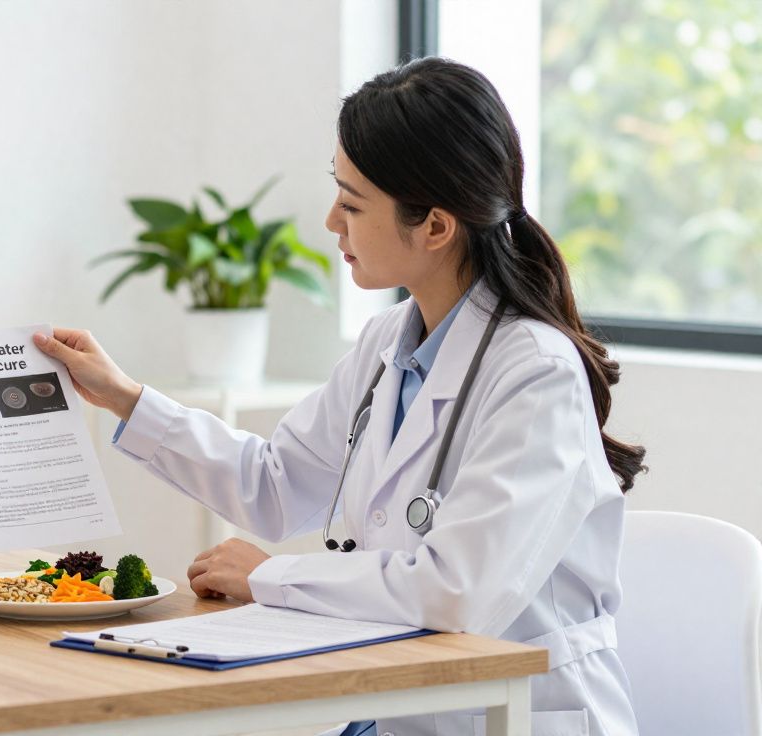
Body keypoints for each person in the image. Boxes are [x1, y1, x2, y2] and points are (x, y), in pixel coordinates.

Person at [36, 58, 644, 735]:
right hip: (392, 706)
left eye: (352, 204)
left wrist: (272, 577)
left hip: (507, 716)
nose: (332, 221)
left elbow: (457, 592)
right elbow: (274, 484)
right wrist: (125, 397)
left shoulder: (536, 373)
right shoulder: (389, 342)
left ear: (436, 227)